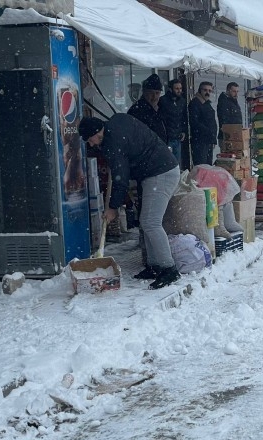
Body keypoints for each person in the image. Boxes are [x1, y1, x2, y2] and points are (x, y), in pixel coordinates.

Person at [79, 115, 181, 290]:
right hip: (155, 170)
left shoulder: (112, 143)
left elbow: (121, 179)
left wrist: (112, 207)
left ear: (97, 132)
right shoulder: (115, 122)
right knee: (146, 222)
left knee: (151, 222)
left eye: (90, 139)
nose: (91, 144)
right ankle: (155, 266)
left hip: (161, 173)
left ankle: (169, 268)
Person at [127, 74, 168, 144]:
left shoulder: (161, 107)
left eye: (157, 93)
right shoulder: (137, 111)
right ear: (144, 92)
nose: (154, 97)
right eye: (151, 93)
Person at [159, 78, 188, 168]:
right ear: (171, 89)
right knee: (167, 161)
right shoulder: (163, 101)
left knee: (177, 162)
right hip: (167, 137)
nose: (179, 91)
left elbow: (184, 118)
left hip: (178, 136)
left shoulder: (182, 101)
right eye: (177, 88)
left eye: (180, 88)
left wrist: (184, 131)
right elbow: (162, 119)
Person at [188, 81, 217, 166]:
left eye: (209, 91)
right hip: (200, 141)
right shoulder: (195, 103)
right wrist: (208, 132)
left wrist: (213, 138)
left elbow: (212, 121)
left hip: (208, 140)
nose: (207, 93)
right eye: (205, 90)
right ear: (200, 90)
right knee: (201, 166)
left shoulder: (207, 104)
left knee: (208, 165)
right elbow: (194, 122)